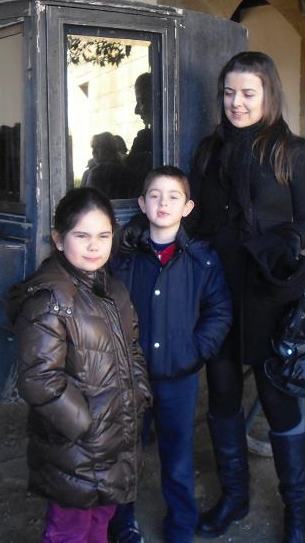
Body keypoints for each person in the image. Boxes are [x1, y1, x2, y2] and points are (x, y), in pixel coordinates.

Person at [185, 51, 305, 542]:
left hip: (271, 293)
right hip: (219, 291)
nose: (236, 103)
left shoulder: (292, 152)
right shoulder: (209, 151)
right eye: (229, 93)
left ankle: (298, 516)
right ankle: (235, 497)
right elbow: (194, 217)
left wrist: (285, 239)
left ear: (269, 94)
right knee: (222, 396)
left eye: (248, 93)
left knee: (278, 401)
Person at [8, 187, 152, 543]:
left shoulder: (114, 290)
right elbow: (40, 380)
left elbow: (132, 349)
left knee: (101, 520)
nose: (94, 246)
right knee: (69, 530)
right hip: (76, 447)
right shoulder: (50, 299)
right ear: (59, 239)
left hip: (116, 437)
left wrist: (139, 395)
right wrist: (87, 427)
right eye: (82, 236)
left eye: (103, 236)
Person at [108, 166, 233, 543]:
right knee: (125, 452)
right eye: (155, 196)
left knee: (178, 455)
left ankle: (180, 523)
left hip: (179, 377)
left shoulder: (202, 259)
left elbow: (219, 310)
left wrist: (196, 351)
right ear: (142, 204)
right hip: (132, 376)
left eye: (173, 197)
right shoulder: (125, 257)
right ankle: (122, 521)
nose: (164, 203)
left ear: (187, 207)